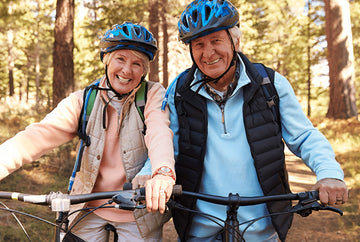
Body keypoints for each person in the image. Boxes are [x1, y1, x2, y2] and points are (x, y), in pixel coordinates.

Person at [157, 0, 349, 241]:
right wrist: (153, 175)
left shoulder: (270, 83)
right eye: (199, 44)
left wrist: (329, 173)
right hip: (199, 227)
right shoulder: (179, 90)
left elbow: (304, 136)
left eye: (216, 41)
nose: (208, 53)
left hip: (262, 227)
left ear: (235, 41)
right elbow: (164, 144)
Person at [0, 22, 175, 241]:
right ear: (106, 59)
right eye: (120, 59)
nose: (127, 70)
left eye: (137, 63)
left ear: (144, 70)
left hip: (136, 212)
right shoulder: (85, 100)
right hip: (87, 207)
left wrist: (163, 172)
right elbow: (36, 136)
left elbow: (160, 132)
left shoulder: (152, 94)